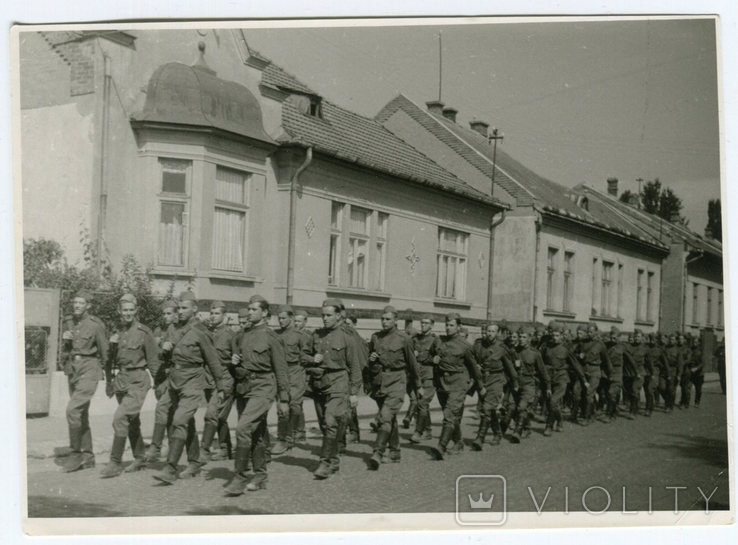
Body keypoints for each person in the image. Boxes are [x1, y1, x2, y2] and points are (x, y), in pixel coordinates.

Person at [152, 292, 226, 484]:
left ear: (194, 309)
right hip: (175, 381)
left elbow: (213, 361)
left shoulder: (201, 331)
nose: (180, 312)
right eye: (179, 308)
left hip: (193, 381)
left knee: (179, 420)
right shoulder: (173, 329)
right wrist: (165, 350)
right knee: (186, 422)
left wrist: (221, 387)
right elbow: (167, 358)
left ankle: (170, 468)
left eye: (185, 308)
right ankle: (194, 463)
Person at [225, 295, 289, 494]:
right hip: (244, 386)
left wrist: (284, 399)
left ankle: (240, 477)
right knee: (256, 432)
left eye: (254, 309)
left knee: (242, 428)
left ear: (264, 313)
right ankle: (260, 476)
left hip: (263, 386)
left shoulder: (271, 337)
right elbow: (236, 364)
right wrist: (233, 363)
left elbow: (281, 369)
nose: (250, 312)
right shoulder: (242, 335)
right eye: (249, 309)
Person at [302, 299, 361, 479]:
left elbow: (355, 366)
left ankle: (325, 463)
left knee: (330, 421)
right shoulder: (316, 335)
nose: (325, 319)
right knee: (326, 426)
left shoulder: (347, 337)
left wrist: (353, 393)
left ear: (338, 316)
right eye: (323, 315)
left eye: (328, 315)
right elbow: (302, 355)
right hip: (319, 384)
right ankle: (334, 460)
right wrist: (313, 360)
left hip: (339, 382)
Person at [100, 294, 158, 478]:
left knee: (120, 418)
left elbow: (154, 361)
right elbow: (108, 360)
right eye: (125, 310)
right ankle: (140, 457)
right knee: (132, 420)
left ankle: (115, 462)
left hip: (138, 380)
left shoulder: (144, 332)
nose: (128, 313)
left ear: (136, 311)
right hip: (121, 381)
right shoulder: (117, 331)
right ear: (119, 311)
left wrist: (161, 386)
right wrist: (109, 381)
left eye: (131, 310)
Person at [58, 290, 109, 473]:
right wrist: (65, 342)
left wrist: (109, 379)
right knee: (81, 414)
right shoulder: (69, 322)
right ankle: (88, 458)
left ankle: (75, 455)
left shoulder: (95, 325)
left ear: (88, 305)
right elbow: (64, 354)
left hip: (90, 368)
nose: (77, 305)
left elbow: (106, 352)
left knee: (72, 410)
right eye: (75, 302)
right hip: (73, 370)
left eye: (81, 303)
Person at [366, 306, 422, 469]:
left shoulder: (404, 339)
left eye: (388, 319)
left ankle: (377, 452)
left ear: (396, 320)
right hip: (380, 381)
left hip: (397, 380)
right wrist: (372, 359)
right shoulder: (375, 337)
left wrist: (417, 386)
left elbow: (413, 364)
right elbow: (370, 361)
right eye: (383, 319)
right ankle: (395, 452)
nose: (384, 322)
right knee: (389, 418)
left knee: (384, 416)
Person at [429, 313, 485, 460]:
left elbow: (474, 368)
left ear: (459, 327)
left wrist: (480, 387)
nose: (448, 328)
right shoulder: (438, 341)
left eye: (451, 325)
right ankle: (459, 442)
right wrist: (432, 360)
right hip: (442, 382)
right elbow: (428, 357)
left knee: (449, 414)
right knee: (451, 416)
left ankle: (441, 446)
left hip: (459, 382)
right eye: (447, 325)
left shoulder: (465, 346)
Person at [199, 301, 236, 464]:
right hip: (209, 380)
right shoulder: (207, 333)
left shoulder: (231, 335)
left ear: (225, 316)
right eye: (211, 313)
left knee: (211, 414)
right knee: (219, 417)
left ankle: (204, 450)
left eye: (217, 314)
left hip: (225, 379)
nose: (213, 316)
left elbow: (238, 358)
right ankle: (225, 448)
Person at [471, 323, 518, 450]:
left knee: (486, 409)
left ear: (497, 333)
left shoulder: (502, 348)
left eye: (493, 332)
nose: (490, 334)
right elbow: (471, 360)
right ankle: (498, 434)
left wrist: (515, 384)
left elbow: (510, 368)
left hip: (496, 380)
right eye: (488, 331)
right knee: (489, 410)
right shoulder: (478, 345)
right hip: (482, 381)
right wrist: (476, 366)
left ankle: (479, 438)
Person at [144, 299, 179, 462]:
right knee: (167, 412)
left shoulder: (177, 330)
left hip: (172, 374)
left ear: (175, 314)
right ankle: (171, 446)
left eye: (169, 313)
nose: (166, 316)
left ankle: (158, 446)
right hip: (159, 375)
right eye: (164, 313)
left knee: (164, 409)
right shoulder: (158, 330)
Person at [271, 305, 307, 456]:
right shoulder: (275, 334)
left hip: (296, 371)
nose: (281, 321)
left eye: (284, 318)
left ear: (291, 318)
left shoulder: (301, 335)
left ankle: (291, 434)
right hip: (280, 372)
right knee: (282, 406)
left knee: (294, 405)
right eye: (279, 319)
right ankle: (282, 439)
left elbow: (307, 355)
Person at [542, 323, 586, 436]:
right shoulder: (547, 347)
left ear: (562, 335)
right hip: (549, 379)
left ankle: (549, 426)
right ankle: (560, 419)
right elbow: (541, 363)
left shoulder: (566, 348)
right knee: (550, 403)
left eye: (557, 335)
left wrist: (584, 380)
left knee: (553, 401)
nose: (555, 338)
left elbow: (576, 364)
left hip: (561, 378)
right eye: (553, 335)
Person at [509, 327, 550, 442]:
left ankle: (517, 432)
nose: (521, 339)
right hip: (517, 383)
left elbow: (543, 372)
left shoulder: (535, 354)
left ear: (529, 339)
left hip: (529, 384)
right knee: (516, 408)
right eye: (520, 337)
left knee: (522, 407)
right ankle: (527, 428)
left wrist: (548, 387)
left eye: (524, 337)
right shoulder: (514, 351)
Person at [409, 315, 442, 443]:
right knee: (422, 403)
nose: (423, 325)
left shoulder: (435, 340)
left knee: (422, 402)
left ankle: (418, 432)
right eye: (422, 323)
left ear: (432, 325)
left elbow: (438, 359)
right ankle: (427, 431)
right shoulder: (415, 339)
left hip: (429, 375)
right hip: (417, 374)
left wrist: (428, 359)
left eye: (426, 323)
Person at [571, 324, 613, 426]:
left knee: (589, 393)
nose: (589, 334)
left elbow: (606, 360)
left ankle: (587, 417)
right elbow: (574, 355)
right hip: (584, 370)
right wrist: (579, 355)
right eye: (588, 332)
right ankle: (576, 413)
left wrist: (610, 374)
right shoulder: (583, 343)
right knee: (576, 390)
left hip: (595, 370)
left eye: (591, 332)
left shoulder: (600, 345)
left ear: (596, 332)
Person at [603, 327, 635, 423]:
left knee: (612, 392)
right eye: (611, 338)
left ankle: (608, 415)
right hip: (607, 371)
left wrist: (636, 371)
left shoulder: (623, 347)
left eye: (615, 338)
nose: (613, 340)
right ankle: (614, 412)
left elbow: (630, 360)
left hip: (617, 371)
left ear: (619, 337)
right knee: (611, 394)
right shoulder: (606, 346)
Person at [292, 309, 311, 442]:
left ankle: (299, 430)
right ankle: (297, 430)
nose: (296, 323)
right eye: (295, 321)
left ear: (305, 321)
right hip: (293, 372)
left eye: (299, 321)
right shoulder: (292, 334)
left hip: (303, 371)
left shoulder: (309, 336)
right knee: (295, 402)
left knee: (297, 402)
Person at [625, 329, 652, 419]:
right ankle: (635, 407)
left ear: (642, 338)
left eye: (639, 337)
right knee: (629, 392)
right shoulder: (629, 346)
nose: (637, 338)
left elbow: (649, 362)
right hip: (629, 372)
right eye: (636, 336)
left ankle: (633, 412)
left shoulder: (645, 348)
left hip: (640, 372)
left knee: (634, 390)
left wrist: (652, 373)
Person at [677, 333, 693, 409]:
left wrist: (681, 363)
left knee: (684, 387)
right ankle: (683, 401)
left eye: (681, 339)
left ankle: (684, 402)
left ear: (684, 340)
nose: (680, 340)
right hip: (677, 370)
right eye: (679, 339)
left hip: (685, 370)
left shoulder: (687, 349)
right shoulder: (676, 348)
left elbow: (688, 359)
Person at [690, 336, 705, 408]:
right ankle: (685, 402)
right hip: (690, 372)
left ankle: (697, 402)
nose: (694, 343)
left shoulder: (700, 351)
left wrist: (696, 368)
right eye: (693, 342)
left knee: (698, 389)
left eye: (696, 342)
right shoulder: (690, 349)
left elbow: (703, 363)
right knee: (687, 387)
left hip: (698, 373)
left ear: (699, 343)